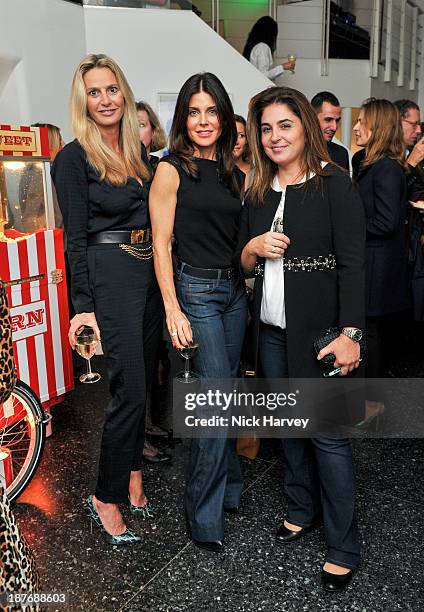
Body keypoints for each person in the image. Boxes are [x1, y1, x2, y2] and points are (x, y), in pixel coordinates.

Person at [239, 86, 365, 591]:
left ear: (305, 127)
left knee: (328, 439)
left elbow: (355, 268)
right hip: (270, 333)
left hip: (321, 337)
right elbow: (243, 264)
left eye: (284, 125)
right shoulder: (259, 191)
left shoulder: (335, 186)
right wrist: (250, 246)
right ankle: (300, 507)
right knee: (289, 429)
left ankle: (343, 545)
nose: (274, 137)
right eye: (266, 128)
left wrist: (352, 334)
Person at [52, 53, 163, 545]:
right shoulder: (73, 158)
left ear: (125, 92)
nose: (105, 99)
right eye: (94, 92)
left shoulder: (138, 154)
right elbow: (74, 237)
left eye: (111, 89)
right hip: (108, 275)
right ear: (84, 100)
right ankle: (105, 494)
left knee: (147, 381)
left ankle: (133, 474)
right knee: (129, 389)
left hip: (146, 275)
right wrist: (83, 305)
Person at [150, 72, 247, 553]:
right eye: (194, 111)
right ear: (182, 118)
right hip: (197, 292)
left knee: (228, 393)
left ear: (224, 117)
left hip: (234, 295)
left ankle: (228, 489)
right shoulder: (171, 170)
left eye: (211, 111)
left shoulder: (235, 172)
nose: (203, 120)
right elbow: (161, 245)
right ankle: (202, 516)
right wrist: (173, 307)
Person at [353, 98, 409, 381]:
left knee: (370, 333)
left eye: (363, 122)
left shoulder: (386, 168)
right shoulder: (370, 163)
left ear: (379, 127)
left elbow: (386, 222)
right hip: (373, 262)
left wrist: (349, 227)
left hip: (378, 266)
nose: (356, 127)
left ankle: (370, 402)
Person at [135, 100, 171, 464]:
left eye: (143, 124)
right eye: (133, 124)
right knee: (134, 364)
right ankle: (137, 437)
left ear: (153, 130)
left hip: (157, 270)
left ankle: (147, 424)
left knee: (152, 356)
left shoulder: (159, 168)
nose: (138, 130)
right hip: (133, 270)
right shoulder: (121, 169)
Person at [243, 16, 295, 81]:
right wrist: (282, 67)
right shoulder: (262, 47)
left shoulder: (254, 46)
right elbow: (263, 75)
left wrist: (282, 69)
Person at [310, 91, 349, 170]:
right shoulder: (297, 150)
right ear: (312, 118)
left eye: (337, 120)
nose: (334, 127)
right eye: (328, 119)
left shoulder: (341, 154)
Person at [136, 100, 167, 169]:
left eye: (141, 125)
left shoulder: (163, 167)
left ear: (153, 131)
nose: (135, 131)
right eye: (130, 125)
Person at [233, 114, 253, 191]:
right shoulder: (215, 171)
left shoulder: (259, 173)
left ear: (247, 140)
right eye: (231, 135)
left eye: (241, 135)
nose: (236, 141)